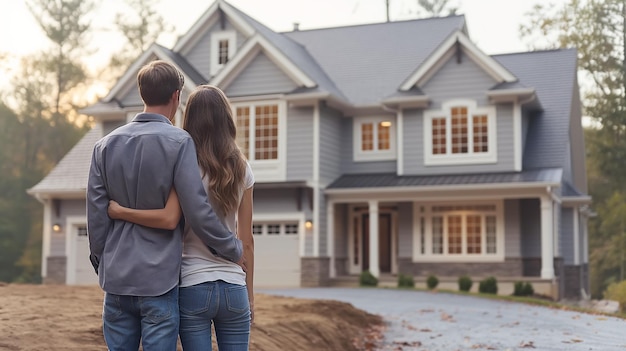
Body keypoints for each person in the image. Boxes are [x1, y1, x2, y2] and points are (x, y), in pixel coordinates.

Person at [87, 62, 243, 351]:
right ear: (176, 95)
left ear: (142, 93)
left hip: (117, 278)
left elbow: (96, 215)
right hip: (159, 280)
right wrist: (231, 247)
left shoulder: (104, 146)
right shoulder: (179, 142)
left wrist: (101, 260)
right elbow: (197, 209)